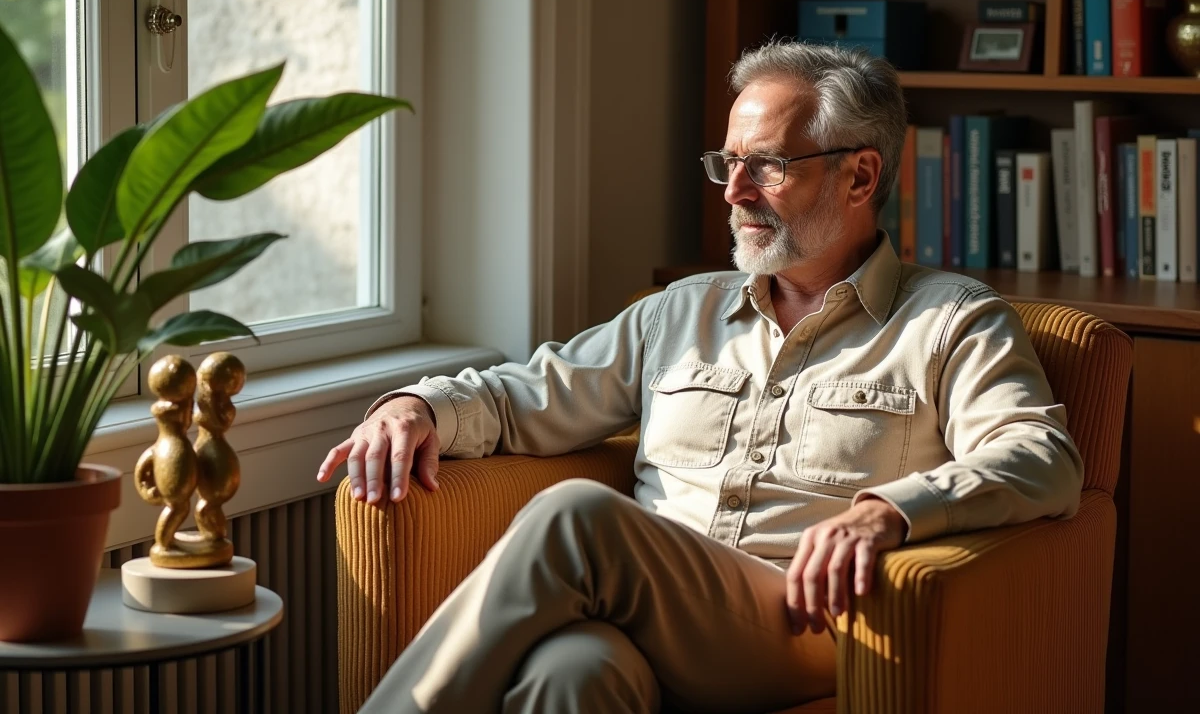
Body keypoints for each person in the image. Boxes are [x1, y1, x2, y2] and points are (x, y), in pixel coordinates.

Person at [316, 41, 1083, 714]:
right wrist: (416, 404)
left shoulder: (950, 321)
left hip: (810, 624)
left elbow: (1042, 457)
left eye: (767, 166)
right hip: (655, 616)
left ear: (860, 176)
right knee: (572, 673)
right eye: (728, 162)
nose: (734, 191)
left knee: (577, 515)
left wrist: (888, 511)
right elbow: (530, 394)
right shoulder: (678, 314)